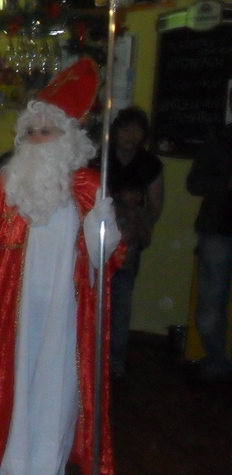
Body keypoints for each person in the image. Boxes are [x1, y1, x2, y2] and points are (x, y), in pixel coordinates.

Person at [0, 58, 122, 475]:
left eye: (47, 131)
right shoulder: (7, 187)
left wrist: (102, 223)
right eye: (31, 132)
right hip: (16, 312)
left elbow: (104, 258)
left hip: (66, 310)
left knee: (58, 391)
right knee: (12, 385)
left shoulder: (89, 188)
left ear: (69, 138)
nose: (37, 140)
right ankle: (3, 468)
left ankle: (48, 472)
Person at [92, 106, 164, 378]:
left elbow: (156, 206)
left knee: (120, 307)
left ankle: (115, 362)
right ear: (115, 131)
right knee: (91, 303)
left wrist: (136, 224)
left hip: (128, 246)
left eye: (137, 130)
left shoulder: (150, 164)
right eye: (125, 128)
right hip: (96, 241)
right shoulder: (99, 157)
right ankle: (89, 359)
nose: (130, 135)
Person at [186, 87, 232, 384]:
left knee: (212, 303)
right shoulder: (218, 140)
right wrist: (225, 184)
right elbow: (194, 183)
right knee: (211, 305)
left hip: (217, 233)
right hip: (218, 230)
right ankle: (215, 362)